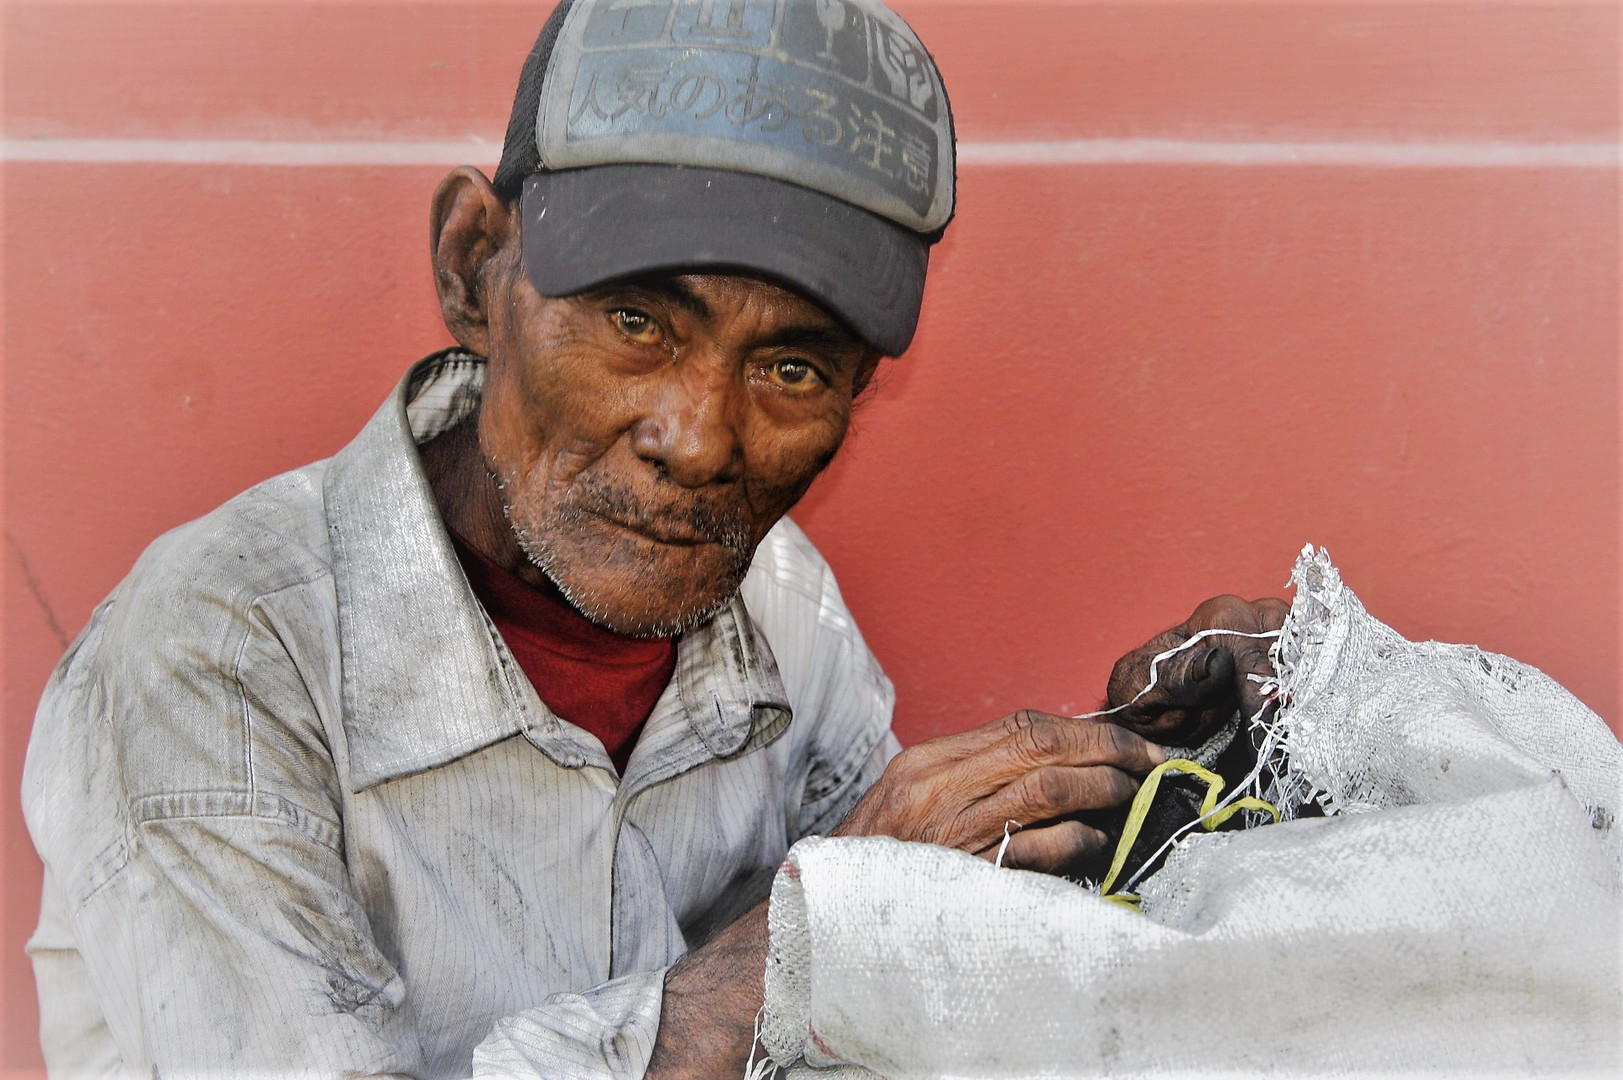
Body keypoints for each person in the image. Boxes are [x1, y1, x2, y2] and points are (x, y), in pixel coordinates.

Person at [21, 1, 1283, 1076]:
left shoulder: (780, 603)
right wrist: (805, 946)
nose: (699, 438)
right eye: (635, 321)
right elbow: (823, 938)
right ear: (473, 268)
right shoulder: (216, 658)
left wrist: (1154, 771)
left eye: (791, 366)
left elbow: (898, 944)